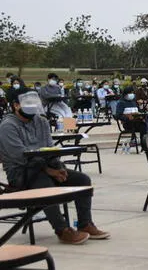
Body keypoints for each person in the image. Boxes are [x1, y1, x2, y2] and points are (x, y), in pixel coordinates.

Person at [0, 88, 110, 244]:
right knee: (46, 185)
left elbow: (50, 149)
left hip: (47, 167)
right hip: (21, 174)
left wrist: (58, 168)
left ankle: (85, 224)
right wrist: (49, 170)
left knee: (82, 180)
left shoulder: (41, 121)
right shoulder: (8, 126)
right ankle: (62, 230)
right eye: (27, 103)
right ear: (16, 105)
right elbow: (20, 157)